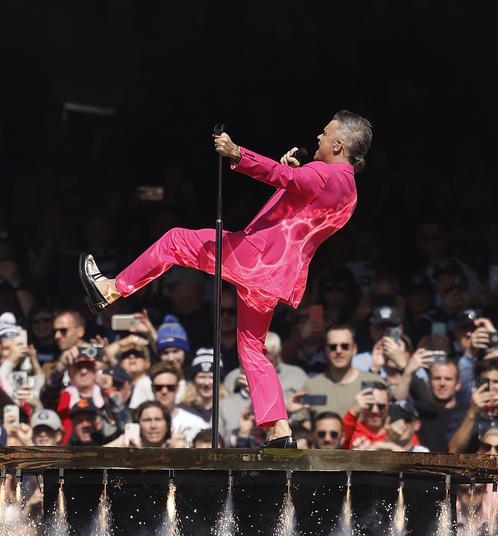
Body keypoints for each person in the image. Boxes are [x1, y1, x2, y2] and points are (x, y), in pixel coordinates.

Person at [80, 110, 372, 447]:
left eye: (324, 134)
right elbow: (297, 207)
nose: (317, 138)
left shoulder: (325, 173)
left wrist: (238, 154)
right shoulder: (348, 192)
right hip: (279, 276)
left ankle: (111, 289)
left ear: (338, 145)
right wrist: (292, 178)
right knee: (252, 348)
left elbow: (285, 179)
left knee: (176, 240)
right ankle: (279, 430)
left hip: (256, 259)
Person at [303, 324, 367, 416]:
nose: (338, 351)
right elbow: (303, 421)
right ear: (326, 350)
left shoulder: (372, 383)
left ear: (354, 349)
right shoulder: (312, 386)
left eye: (345, 346)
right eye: (332, 347)